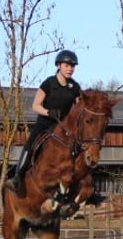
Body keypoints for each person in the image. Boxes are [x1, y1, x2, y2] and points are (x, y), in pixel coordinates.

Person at [8, 49, 82, 198]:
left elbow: (79, 109)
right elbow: (35, 106)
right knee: (30, 145)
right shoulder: (49, 83)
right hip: (44, 123)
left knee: (81, 148)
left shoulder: (75, 87)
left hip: (62, 127)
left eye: (72, 66)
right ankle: (17, 176)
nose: (70, 69)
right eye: (67, 65)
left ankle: (84, 184)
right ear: (59, 65)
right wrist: (49, 112)